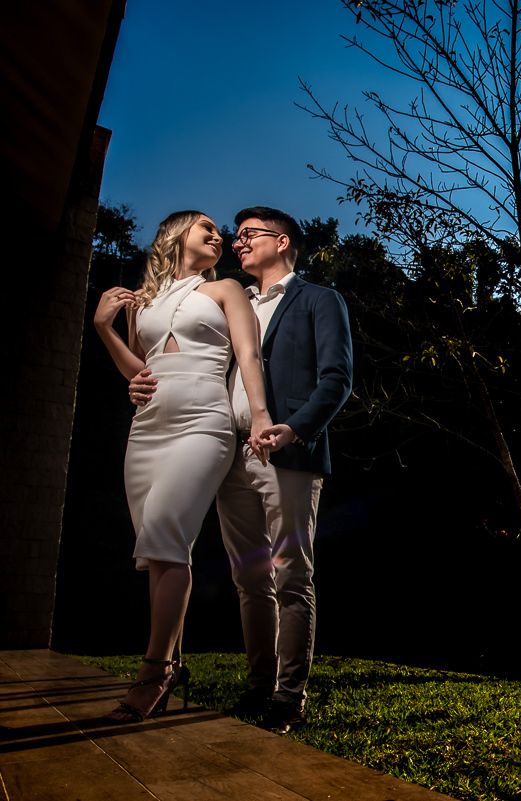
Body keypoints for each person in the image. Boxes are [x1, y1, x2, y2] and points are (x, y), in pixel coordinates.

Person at [129, 206, 352, 733]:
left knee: (291, 573)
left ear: (282, 241)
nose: (237, 242)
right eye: (236, 235)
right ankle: (258, 688)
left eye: (249, 234)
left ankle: (289, 697)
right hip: (229, 452)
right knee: (249, 578)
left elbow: (337, 378)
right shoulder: (223, 299)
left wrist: (294, 428)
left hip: (287, 454)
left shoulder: (319, 299)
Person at [94, 211, 274, 723]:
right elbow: (140, 371)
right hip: (147, 428)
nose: (218, 236)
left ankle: (153, 672)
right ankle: (171, 663)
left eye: (219, 232)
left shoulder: (226, 291)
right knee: (155, 549)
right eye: (206, 228)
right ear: (174, 236)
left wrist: (259, 415)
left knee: (168, 535)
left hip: (203, 421)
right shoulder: (143, 302)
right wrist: (104, 328)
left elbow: (248, 356)